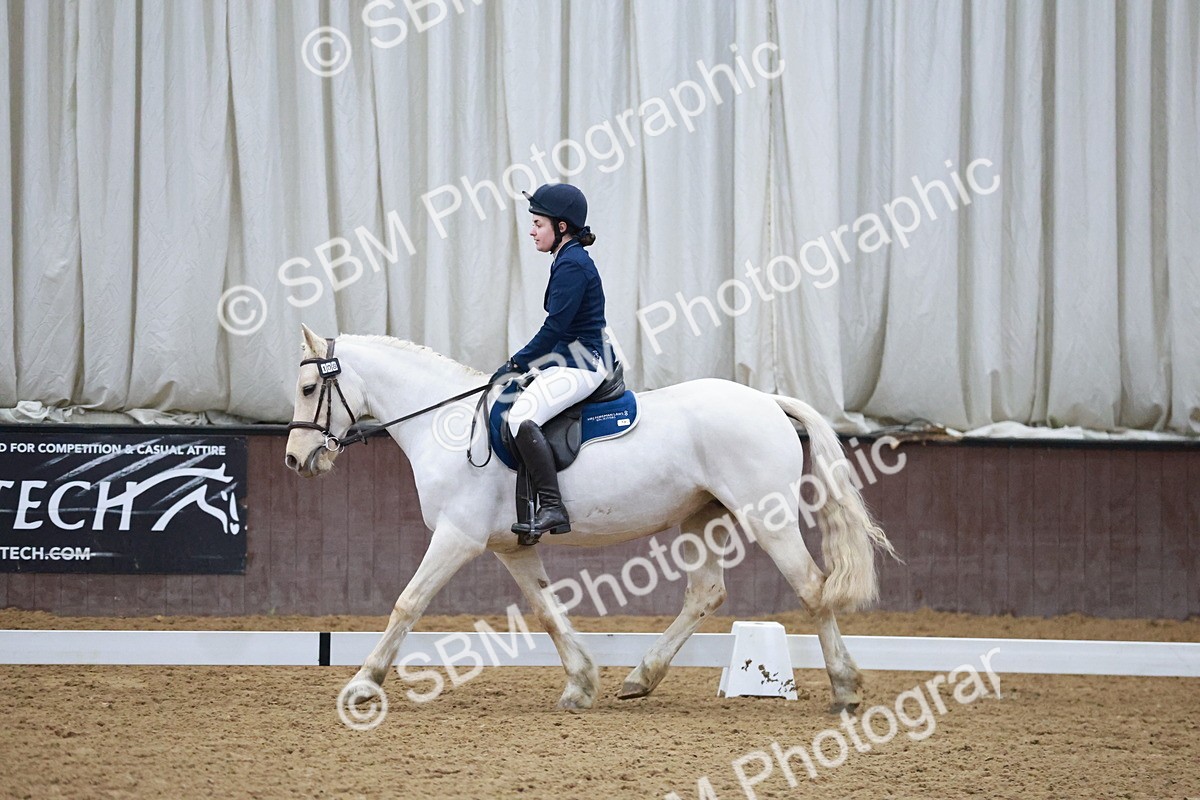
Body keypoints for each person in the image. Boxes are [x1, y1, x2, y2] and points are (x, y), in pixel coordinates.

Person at [490, 183, 610, 542]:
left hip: (583, 364)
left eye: (538, 224)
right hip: (568, 359)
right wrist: (534, 367)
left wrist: (517, 363)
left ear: (561, 227)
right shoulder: (567, 258)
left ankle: (553, 506)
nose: (531, 231)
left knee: (521, 417)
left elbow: (554, 327)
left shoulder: (572, 264)